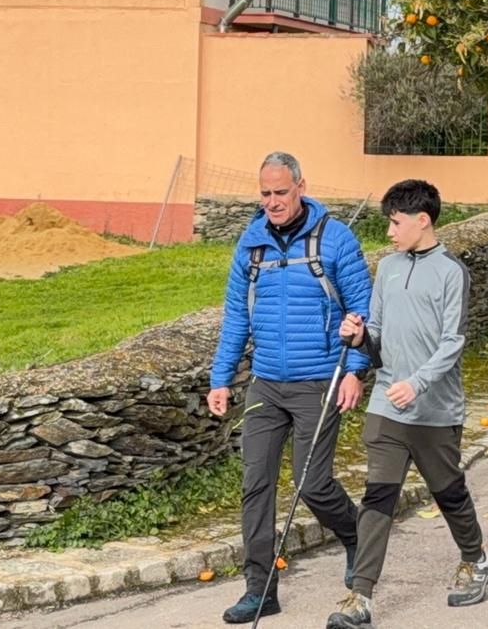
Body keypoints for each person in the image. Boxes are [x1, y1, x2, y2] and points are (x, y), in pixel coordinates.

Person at [207, 152, 373, 624]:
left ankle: (357, 537)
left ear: (301, 186)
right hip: (266, 384)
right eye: (265, 193)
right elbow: (236, 317)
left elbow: (362, 310)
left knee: (312, 484)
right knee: (255, 485)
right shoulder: (251, 245)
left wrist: (355, 370)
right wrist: (220, 379)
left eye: (281, 192)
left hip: (319, 379)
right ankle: (260, 590)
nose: (273, 202)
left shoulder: (335, 239)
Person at [327, 180, 488, 629]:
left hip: (435, 409)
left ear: (423, 220)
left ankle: (476, 558)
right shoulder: (387, 267)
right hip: (387, 405)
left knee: (448, 492)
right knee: (378, 496)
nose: (389, 232)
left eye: (396, 222)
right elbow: (377, 334)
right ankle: (360, 596)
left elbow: (453, 342)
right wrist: (358, 337)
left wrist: (418, 384)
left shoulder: (451, 272)